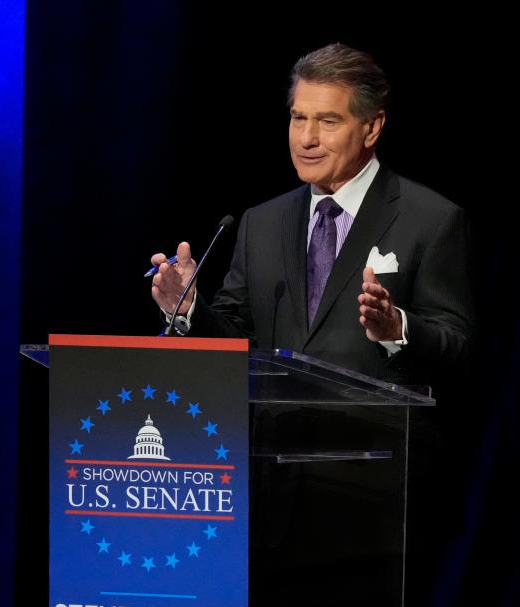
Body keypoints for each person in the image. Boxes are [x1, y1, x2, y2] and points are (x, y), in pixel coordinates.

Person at [150, 43, 473, 387]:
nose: (306, 138)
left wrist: (397, 328)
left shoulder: (430, 220)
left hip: (378, 437)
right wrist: (187, 309)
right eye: (298, 118)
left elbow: (458, 348)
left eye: (328, 121)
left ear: (372, 127)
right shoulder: (262, 223)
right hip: (275, 439)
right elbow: (236, 338)